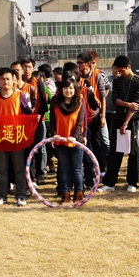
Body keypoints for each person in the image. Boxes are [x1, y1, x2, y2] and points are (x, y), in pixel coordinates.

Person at [99, 55, 139, 193]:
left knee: (133, 152)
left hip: (133, 120)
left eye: (122, 70)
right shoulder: (117, 81)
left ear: (129, 67)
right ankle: (110, 182)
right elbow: (115, 99)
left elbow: (135, 106)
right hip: (118, 118)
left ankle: (133, 182)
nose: (119, 73)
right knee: (114, 151)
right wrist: (127, 104)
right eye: (117, 70)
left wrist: (126, 123)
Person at [0, 67, 33, 207]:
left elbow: (28, 113)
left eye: (8, 79)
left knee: (18, 169)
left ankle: (21, 195)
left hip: (16, 139)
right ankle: (2, 195)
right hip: (0, 139)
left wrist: (34, 119)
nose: (5, 82)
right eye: (2, 79)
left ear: (14, 80)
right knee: (2, 170)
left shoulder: (20, 96)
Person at [49, 76, 85, 204]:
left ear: (75, 90)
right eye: (65, 88)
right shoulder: (55, 101)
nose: (68, 91)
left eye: (71, 88)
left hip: (76, 141)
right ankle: (65, 195)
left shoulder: (80, 101)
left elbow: (80, 122)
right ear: (61, 89)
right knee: (63, 169)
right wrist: (54, 134)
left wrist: (74, 137)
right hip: (60, 141)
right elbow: (52, 121)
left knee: (77, 169)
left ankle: (79, 194)